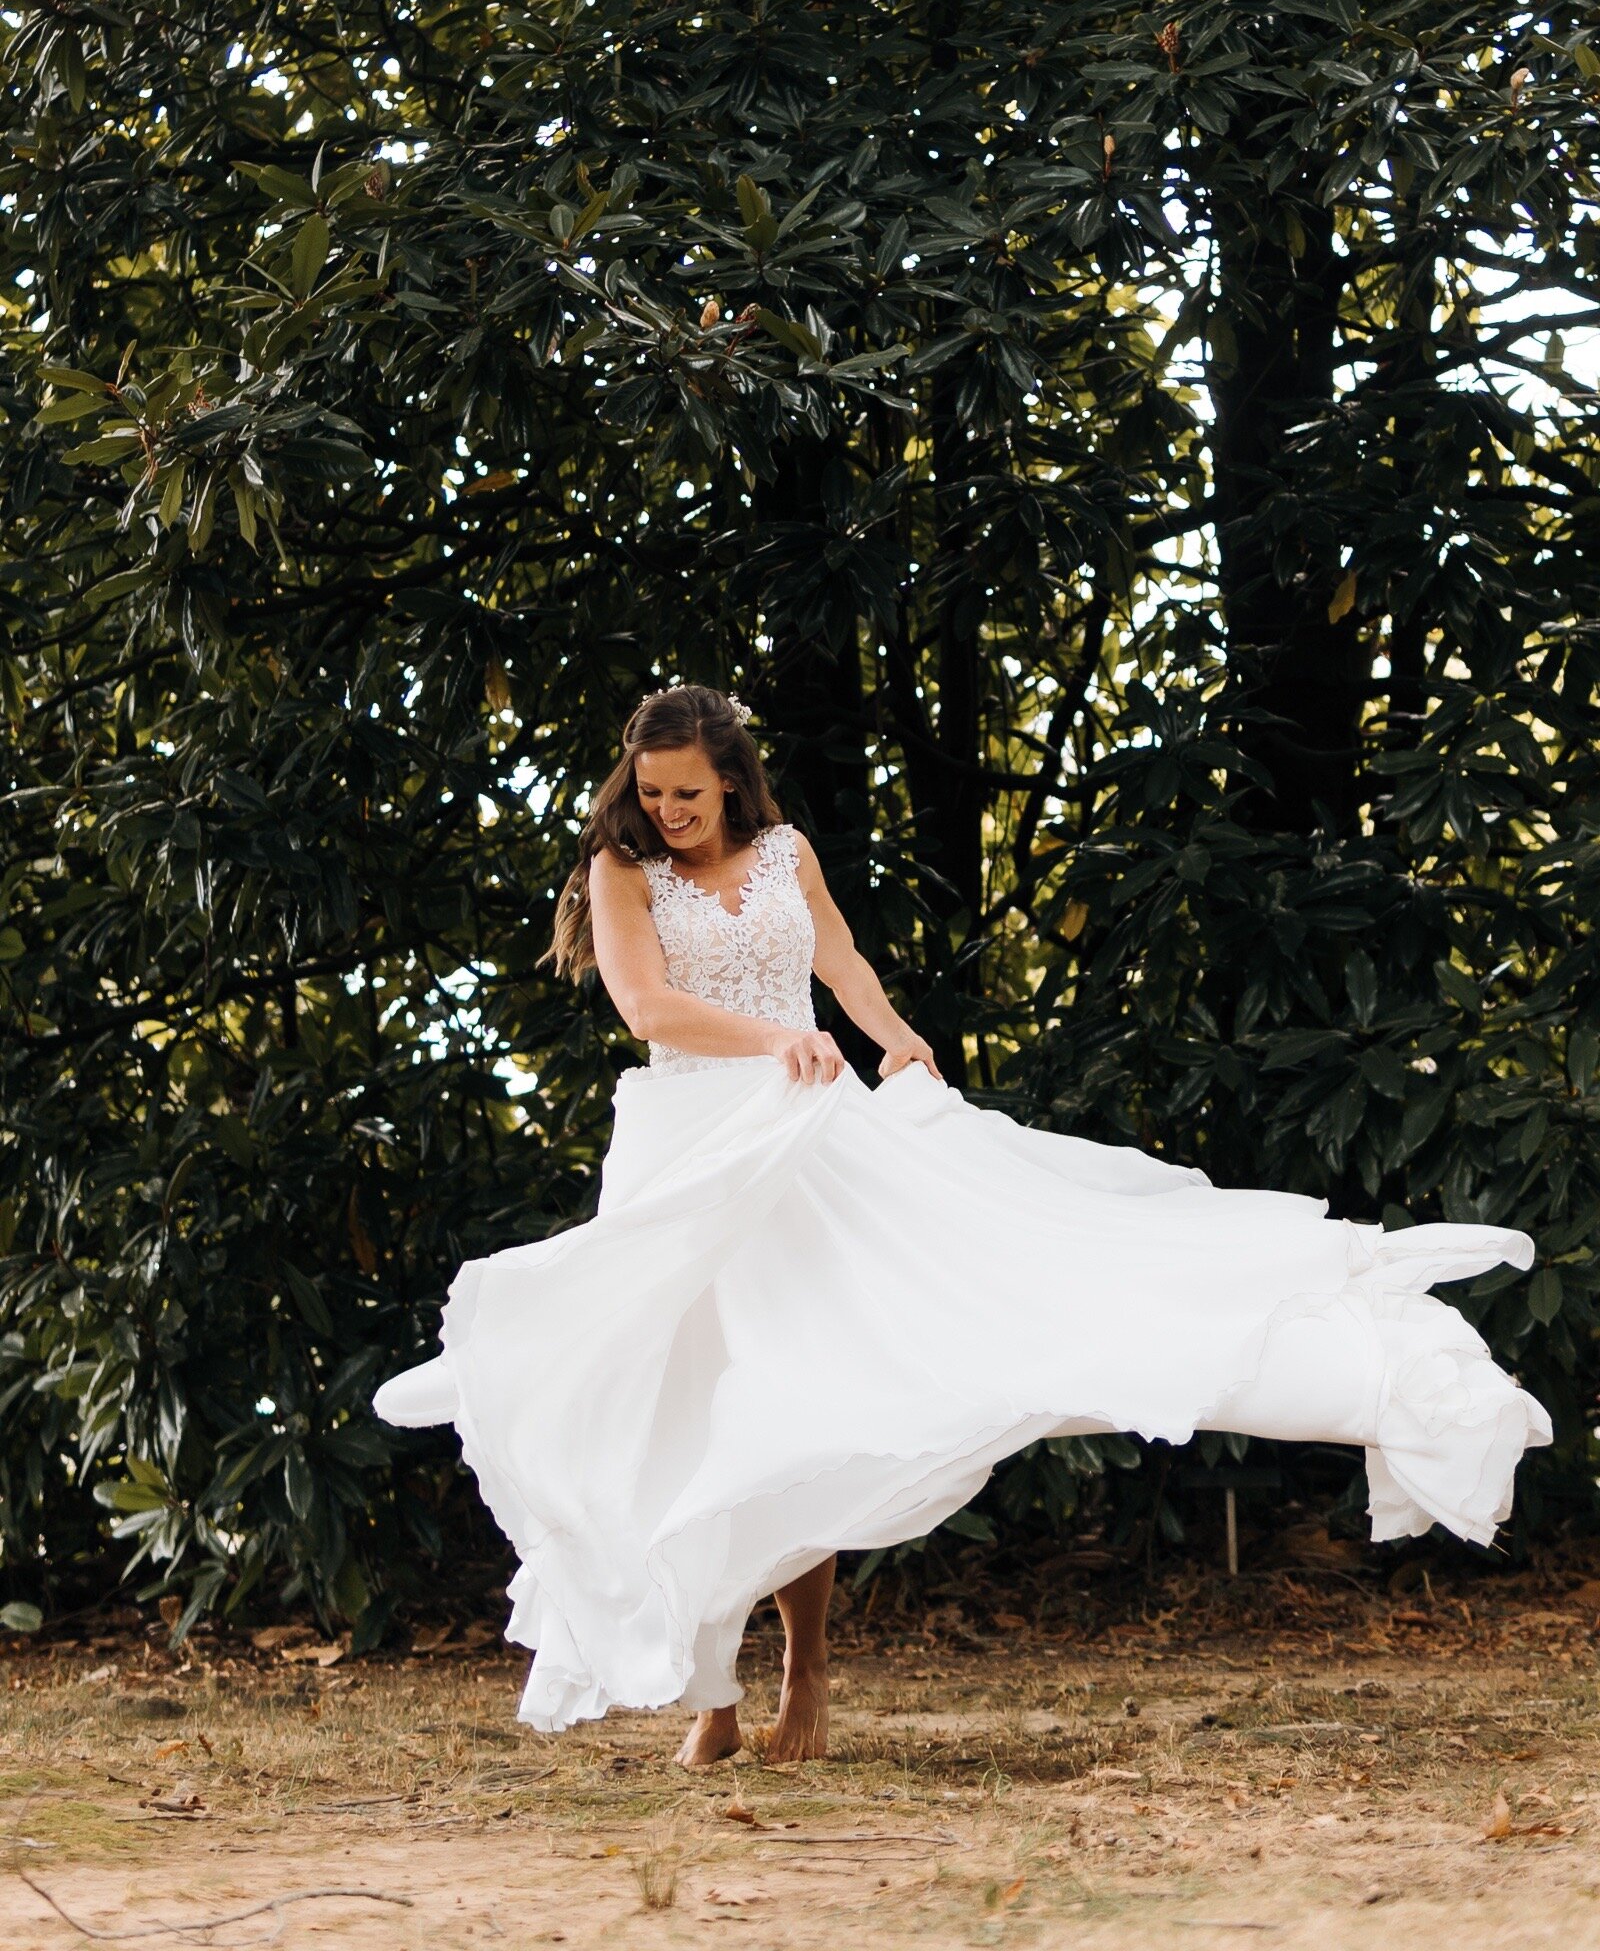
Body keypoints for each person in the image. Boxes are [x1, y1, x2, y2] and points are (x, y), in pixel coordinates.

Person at [373, 684, 1550, 1766]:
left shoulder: (785, 851)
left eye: (688, 790)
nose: (667, 810)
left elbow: (834, 958)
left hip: (809, 1133)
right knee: (690, 1404)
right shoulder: (620, 870)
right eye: (651, 791)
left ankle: (806, 1684)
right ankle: (710, 1697)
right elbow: (646, 1003)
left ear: (730, 778)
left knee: (805, 1387)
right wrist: (769, 1039)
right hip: (690, 1145)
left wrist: (887, 1034)